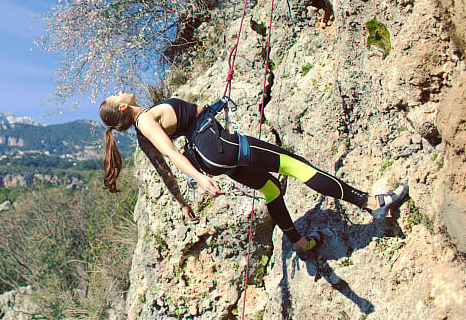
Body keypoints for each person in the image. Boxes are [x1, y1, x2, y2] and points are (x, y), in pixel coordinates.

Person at [100, 93, 409, 254]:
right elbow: (170, 154)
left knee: (272, 189)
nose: (121, 91)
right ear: (124, 108)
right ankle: (369, 201)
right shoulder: (145, 123)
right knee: (297, 165)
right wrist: (199, 179)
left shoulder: (142, 131)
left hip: (213, 156)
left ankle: (300, 245)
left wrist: (183, 202)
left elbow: (164, 172)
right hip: (216, 147)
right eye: (117, 96)